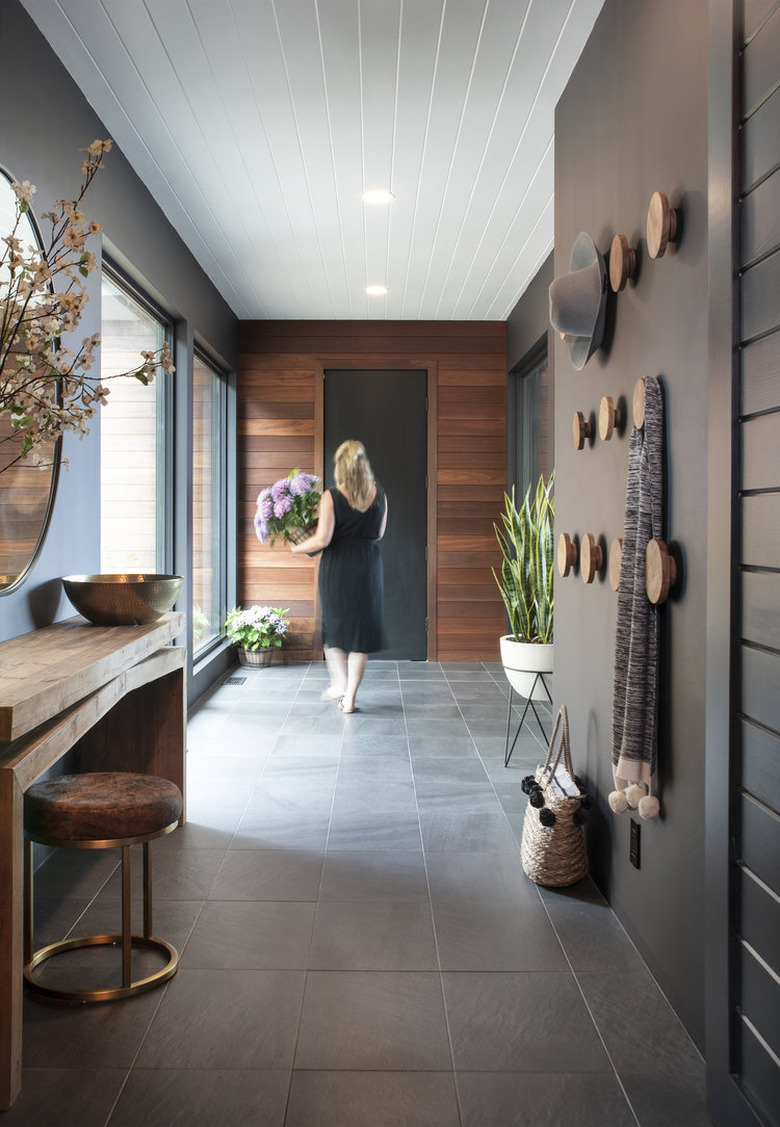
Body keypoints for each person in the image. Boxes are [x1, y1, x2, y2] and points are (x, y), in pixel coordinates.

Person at [289, 439, 388, 713]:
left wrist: (297, 547)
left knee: (333, 630)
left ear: (340, 467)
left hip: (339, 567)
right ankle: (351, 697)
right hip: (368, 566)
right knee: (361, 634)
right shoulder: (379, 493)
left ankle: (340, 683)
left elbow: (322, 538)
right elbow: (379, 533)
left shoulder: (331, 496)